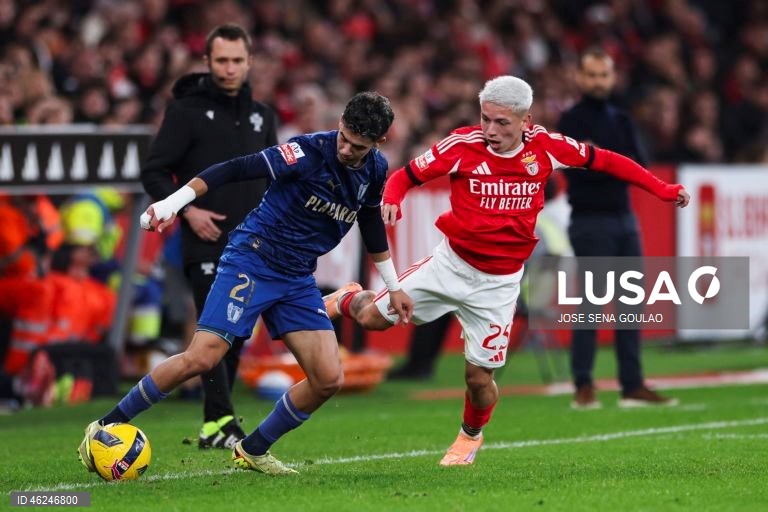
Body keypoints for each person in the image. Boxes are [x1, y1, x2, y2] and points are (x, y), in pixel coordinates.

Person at [323, 75, 689, 466]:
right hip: (451, 265)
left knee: (479, 380)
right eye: (485, 119)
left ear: (526, 122)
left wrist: (662, 189)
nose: (490, 131)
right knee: (372, 319)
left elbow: (607, 160)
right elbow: (406, 175)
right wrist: (393, 198)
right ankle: (348, 297)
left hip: (498, 284)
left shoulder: (547, 148)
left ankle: (469, 435)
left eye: (502, 123)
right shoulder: (462, 145)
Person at [78, 91, 413, 476]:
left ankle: (252, 449)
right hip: (253, 259)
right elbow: (235, 169)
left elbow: (371, 224)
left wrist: (394, 284)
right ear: (339, 123)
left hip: (297, 275)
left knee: (327, 379)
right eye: (344, 138)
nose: (346, 150)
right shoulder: (307, 152)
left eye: (358, 146)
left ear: (378, 143)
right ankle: (103, 426)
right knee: (203, 357)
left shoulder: (374, 170)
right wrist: (173, 203)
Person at [141, 24, 279, 449]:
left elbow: (274, 174)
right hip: (205, 239)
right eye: (222, 60)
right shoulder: (186, 112)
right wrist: (188, 210)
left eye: (237, 60)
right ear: (207, 61)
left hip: (253, 244)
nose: (230, 68)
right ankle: (220, 421)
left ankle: (213, 426)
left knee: (235, 333)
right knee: (215, 330)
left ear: (250, 61)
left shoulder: (262, 115)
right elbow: (154, 171)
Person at [557, 48, 679, 410]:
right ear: (579, 78)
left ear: (613, 78)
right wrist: (609, 163)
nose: (598, 82)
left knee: (631, 305)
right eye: (591, 75)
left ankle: (631, 384)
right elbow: (582, 167)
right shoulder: (570, 120)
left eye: (603, 75)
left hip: (625, 218)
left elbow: (637, 165)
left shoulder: (621, 118)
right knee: (591, 306)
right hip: (590, 220)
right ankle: (583, 385)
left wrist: (601, 161)